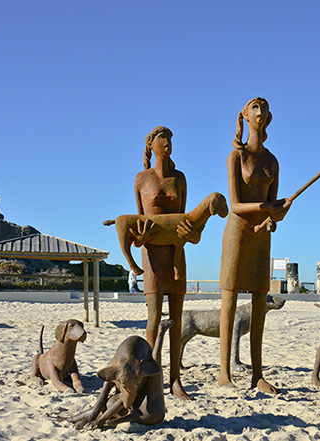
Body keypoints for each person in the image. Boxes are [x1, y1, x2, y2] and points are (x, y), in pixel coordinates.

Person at [218, 97, 290, 394]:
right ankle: (224, 373)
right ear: (245, 116)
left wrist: (278, 214)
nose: (260, 112)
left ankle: (257, 374)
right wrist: (267, 206)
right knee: (230, 300)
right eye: (255, 107)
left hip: (262, 234)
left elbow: (275, 209)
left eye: (264, 108)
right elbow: (235, 205)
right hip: (237, 232)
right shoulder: (235, 157)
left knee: (260, 300)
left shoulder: (272, 161)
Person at [133, 126, 198, 400]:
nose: (168, 143)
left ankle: (175, 379)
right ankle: (151, 377)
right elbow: (136, 233)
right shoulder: (141, 179)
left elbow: (189, 226)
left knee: (176, 320)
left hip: (176, 256)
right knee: (153, 318)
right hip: (152, 258)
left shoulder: (179, 179)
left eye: (171, 138)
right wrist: (141, 237)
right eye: (163, 138)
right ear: (151, 144)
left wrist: (190, 235)